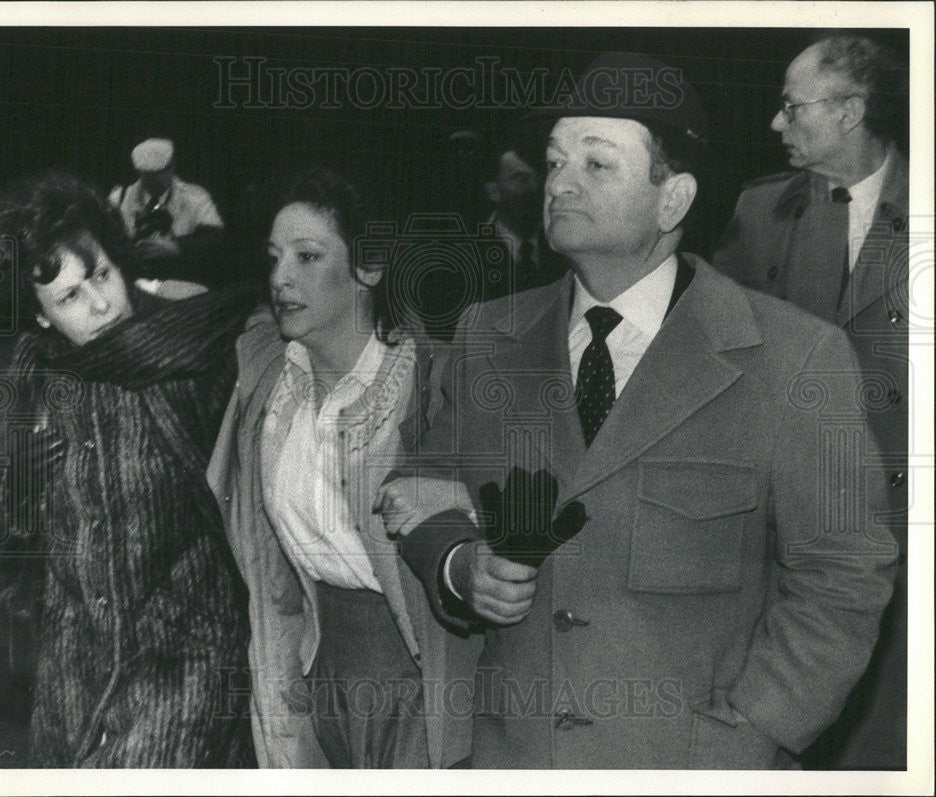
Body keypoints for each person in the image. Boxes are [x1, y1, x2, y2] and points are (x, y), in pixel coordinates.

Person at [376, 52, 898, 769]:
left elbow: (843, 571)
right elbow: (419, 483)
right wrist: (461, 565)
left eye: (596, 164)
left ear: (673, 200)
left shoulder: (793, 357)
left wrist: (755, 731)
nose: (559, 181)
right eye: (555, 161)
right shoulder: (489, 337)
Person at [0, 171, 256, 767]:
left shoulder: (188, 355)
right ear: (41, 317)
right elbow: (15, 532)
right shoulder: (40, 377)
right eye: (70, 296)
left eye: (101, 274)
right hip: (73, 667)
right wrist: (20, 477)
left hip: (184, 661)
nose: (102, 302)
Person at [206, 166, 481, 769]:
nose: (280, 278)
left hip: (419, 683)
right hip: (312, 675)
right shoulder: (269, 379)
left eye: (307, 257)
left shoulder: (431, 386)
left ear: (370, 267)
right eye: (274, 257)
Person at [712, 34, 909, 769]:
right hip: (787, 525)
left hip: (904, 524)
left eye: (793, 107)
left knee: (885, 743)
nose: (775, 123)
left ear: (851, 111)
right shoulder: (761, 210)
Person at [109, 138, 225, 285]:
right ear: (139, 171)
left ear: (172, 167)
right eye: (149, 174)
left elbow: (216, 240)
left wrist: (178, 247)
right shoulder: (119, 199)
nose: (157, 180)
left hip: (182, 281)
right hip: (136, 282)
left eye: (162, 171)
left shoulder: (195, 197)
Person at [481, 143, 566, 300]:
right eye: (521, 179)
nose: (535, 188)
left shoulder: (563, 251)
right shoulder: (472, 257)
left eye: (538, 178)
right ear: (494, 191)